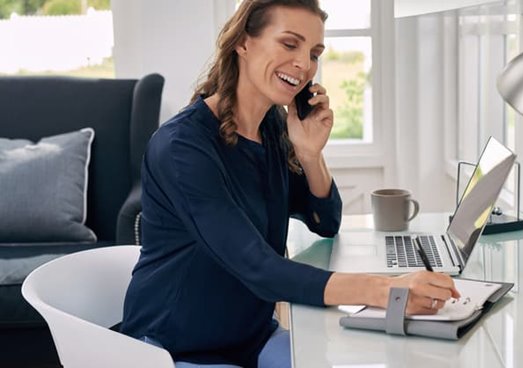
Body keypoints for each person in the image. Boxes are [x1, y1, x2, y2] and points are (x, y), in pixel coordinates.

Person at [121, 1, 461, 367]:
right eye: (289, 44)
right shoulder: (182, 148)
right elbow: (258, 268)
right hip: (174, 348)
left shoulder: (271, 128)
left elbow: (324, 222)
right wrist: (388, 289)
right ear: (243, 42)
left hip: (250, 338)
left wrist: (310, 154)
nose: (304, 64)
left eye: (314, 53)